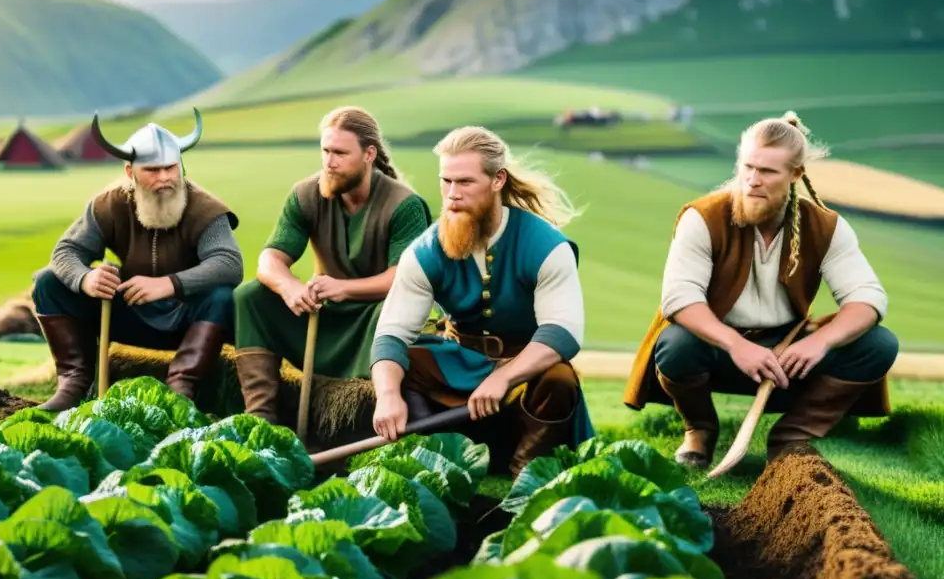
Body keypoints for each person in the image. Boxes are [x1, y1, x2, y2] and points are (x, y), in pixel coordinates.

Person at [623, 111, 899, 467]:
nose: (753, 180)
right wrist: (736, 345)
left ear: (795, 175)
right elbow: (679, 298)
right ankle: (700, 429)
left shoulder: (825, 226)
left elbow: (868, 298)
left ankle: (793, 435)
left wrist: (820, 342)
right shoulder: (702, 218)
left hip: (787, 356)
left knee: (879, 343)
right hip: (718, 347)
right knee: (676, 344)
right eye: (748, 167)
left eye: (767, 172)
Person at [368, 126, 595, 479]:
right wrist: (386, 396)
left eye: (465, 182)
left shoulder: (547, 246)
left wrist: (505, 376)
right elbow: (391, 335)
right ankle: (434, 454)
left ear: (497, 180)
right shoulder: (425, 251)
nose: (452, 195)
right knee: (401, 364)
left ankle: (526, 467)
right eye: (446, 181)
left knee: (559, 378)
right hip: (461, 362)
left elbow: (562, 334)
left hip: (526, 365)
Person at [31, 109, 243, 411]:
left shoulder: (205, 209)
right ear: (131, 173)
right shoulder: (108, 204)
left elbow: (229, 263)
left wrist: (168, 285)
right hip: (130, 312)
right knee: (47, 281)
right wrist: (86, 279)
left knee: (223, 297)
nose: (165, 178)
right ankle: (74, 383)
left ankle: (181, 390)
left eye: (171, 168)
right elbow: (65, 253)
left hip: (190, 319)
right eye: (153, 171)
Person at [233, 106, 432, 422]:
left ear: (369, 154)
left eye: (340, 153)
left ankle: (366, 413)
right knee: (249, 296)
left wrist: (343, 288)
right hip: (322, 314)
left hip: (374, 316)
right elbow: (270, 259)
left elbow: (404, 279)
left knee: (390, 313)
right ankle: (260, 415)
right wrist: (289, 287)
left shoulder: (404, 205)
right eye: (325, 150)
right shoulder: (305, 195)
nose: (329, 161)